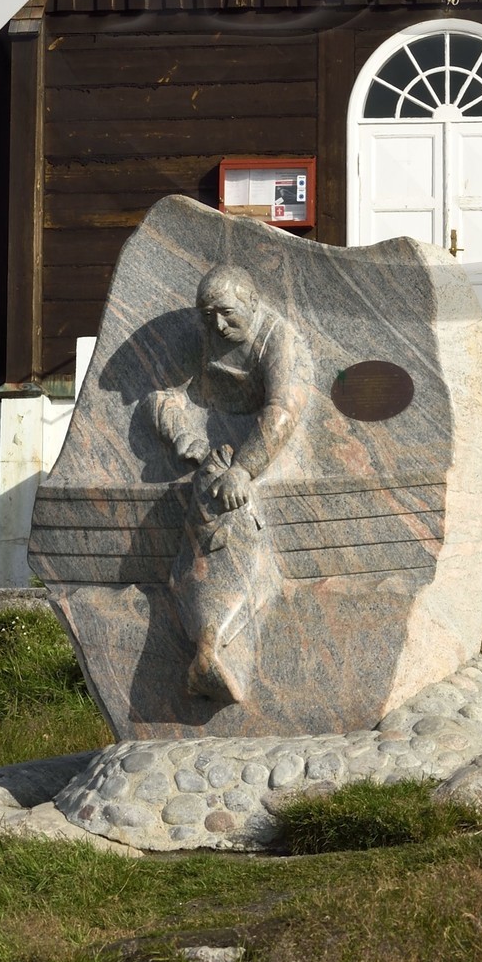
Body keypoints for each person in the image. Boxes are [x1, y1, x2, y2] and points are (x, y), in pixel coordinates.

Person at [143, 265, 313, 701]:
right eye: (207, 314)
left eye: (226, 314)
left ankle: (216, 644)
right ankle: (206, 645)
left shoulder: (279, 340)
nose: (216, 325)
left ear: (253, 304)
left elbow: (282, 411)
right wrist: (182, 434)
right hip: (211, 451)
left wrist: (246, 468)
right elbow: (161, 393)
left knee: (238, 517)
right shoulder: (201, 333)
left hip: (256, 450)